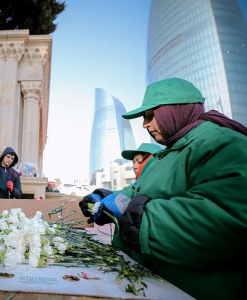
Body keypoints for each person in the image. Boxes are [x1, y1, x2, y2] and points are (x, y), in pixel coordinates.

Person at [79, 77, 247, 299]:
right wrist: (105, 198)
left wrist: (142, 221)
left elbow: (228, 218)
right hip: (151, 284)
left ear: (174, 110)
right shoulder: (165, 154)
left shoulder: (223, 144)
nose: (145, 124)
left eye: (150, 115)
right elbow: (136, 191)